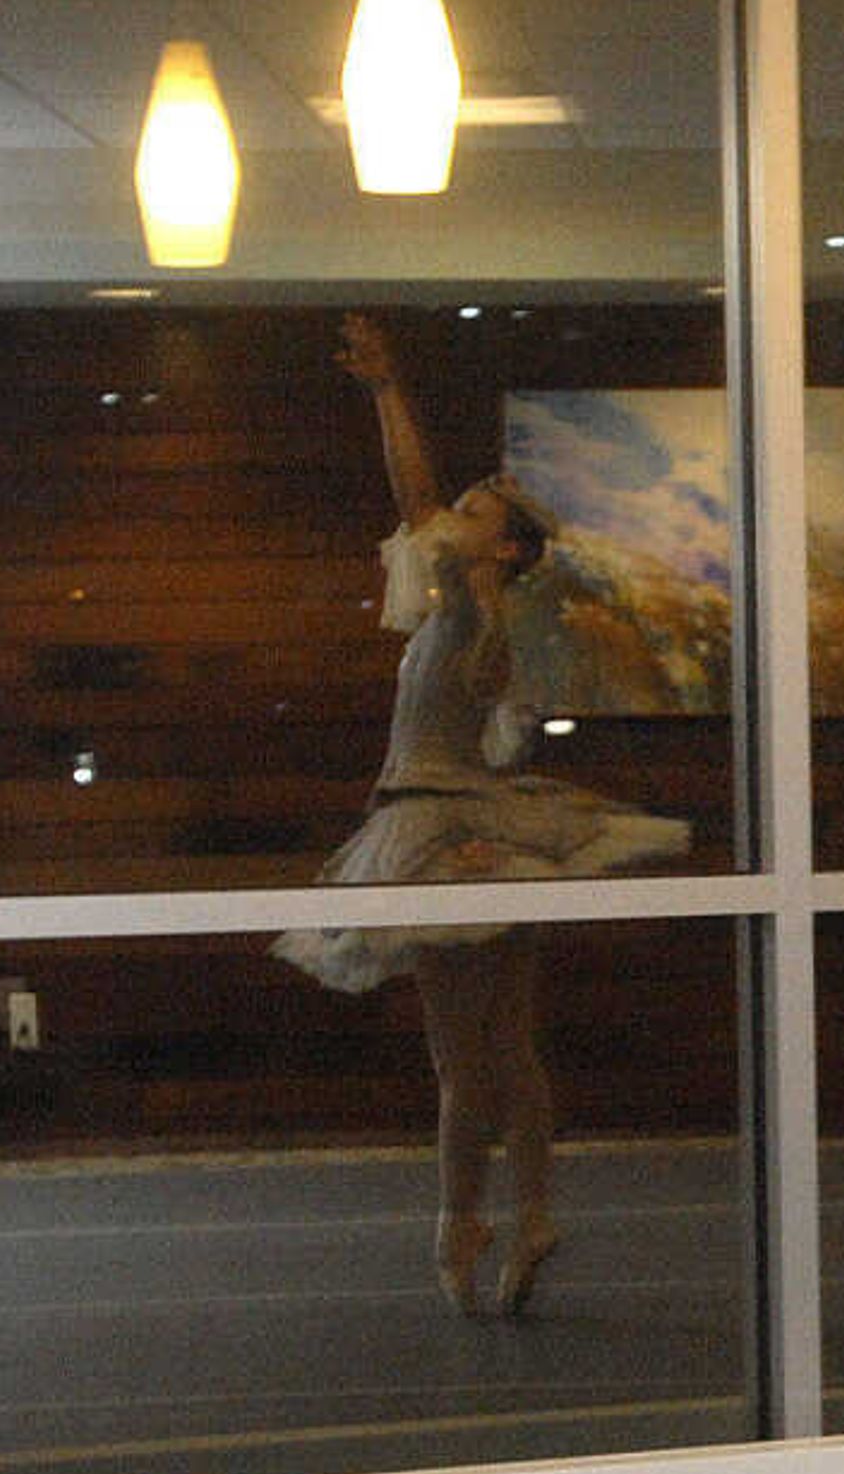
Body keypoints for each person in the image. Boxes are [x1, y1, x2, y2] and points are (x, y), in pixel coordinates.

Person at [276, 316, 691, 1317]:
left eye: (474, 508)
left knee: (463, 1064)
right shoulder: (466, 613)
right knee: (509, 1048)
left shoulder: (468, 607)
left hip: (438, 831)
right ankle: (531, 1206)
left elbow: (414, 499)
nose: (449, 512)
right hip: (473, 827)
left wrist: (388, 390)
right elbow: (425, 511)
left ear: (497, 545)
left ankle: (461, 1217)